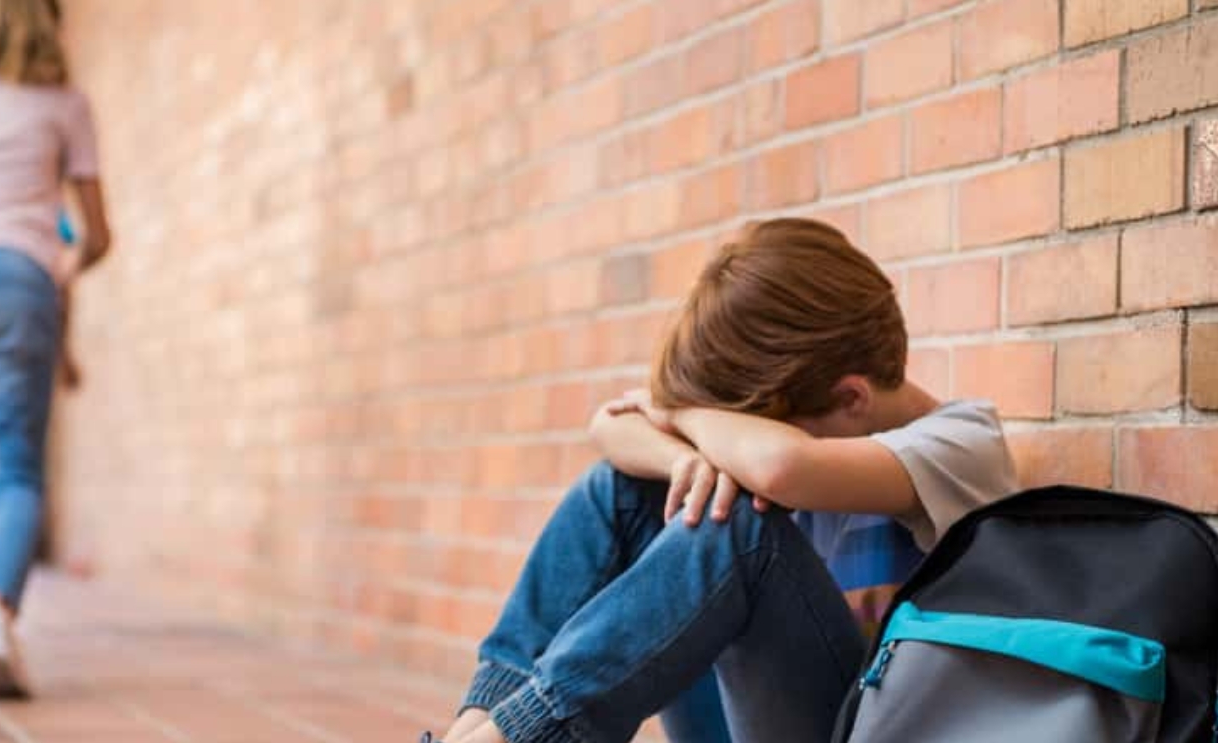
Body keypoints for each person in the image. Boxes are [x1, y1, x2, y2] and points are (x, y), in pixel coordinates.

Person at [423, 219, 1018, 743]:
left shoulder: (963, 444)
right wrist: (681, 459)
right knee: (624, 492)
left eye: (754, 428)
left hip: (865, 730)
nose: (739, 441)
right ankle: (479, 730)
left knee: (737, 525)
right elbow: (610, 426)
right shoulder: (788, 436)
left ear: (850, 398)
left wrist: (680, 417)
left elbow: (782, 466)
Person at [0, 0, 111, 696]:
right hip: (21, 278)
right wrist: (58, 271)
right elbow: (96, 234)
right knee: (19, 466)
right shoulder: (66, 104)